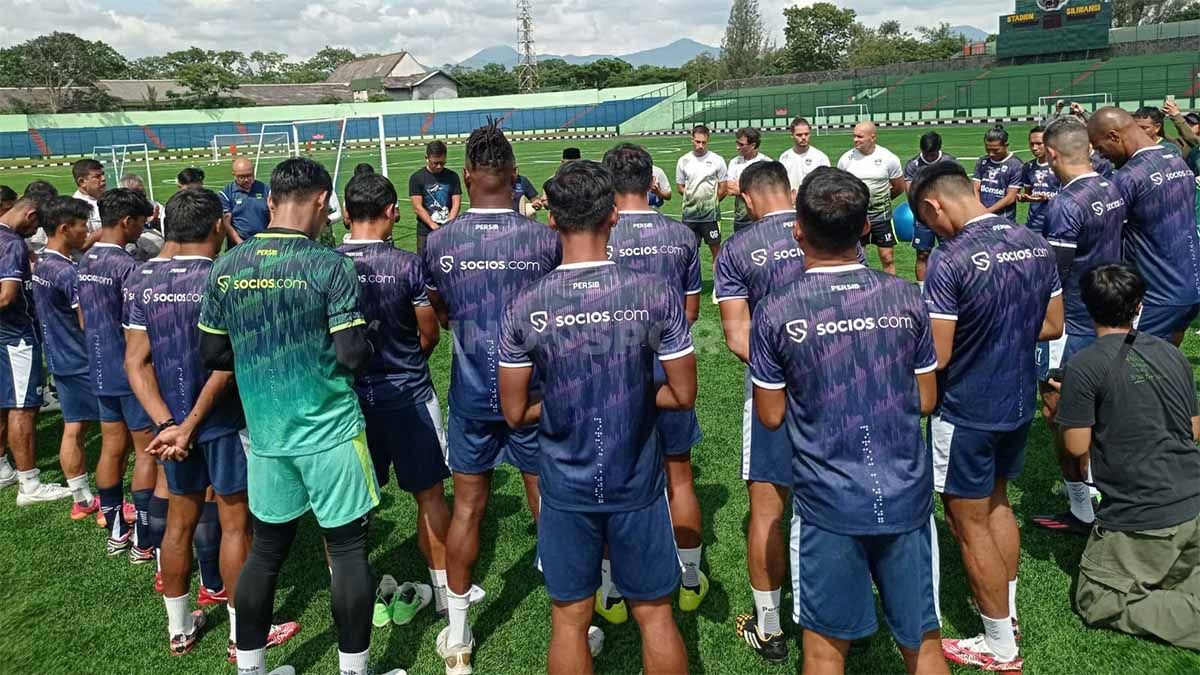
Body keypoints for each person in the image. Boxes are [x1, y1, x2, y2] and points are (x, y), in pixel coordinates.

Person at [198, 158, 397, 675]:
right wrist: (369, 336)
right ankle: (354, 670)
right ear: (319, 202)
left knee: (266, 551)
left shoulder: (229, 265)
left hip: (267, 435)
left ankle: (252, 668)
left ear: (270, 202)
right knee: (349, 546)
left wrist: (262, 352)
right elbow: (352, 354)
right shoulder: (330, 265)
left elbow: (212, 354)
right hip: (330, 430)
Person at [498, 159, 693, 675]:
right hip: (637, 482)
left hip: (564, 485)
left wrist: (565, 402)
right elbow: (683, 392)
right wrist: (630, 397)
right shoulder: (654, 293)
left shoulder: (525, 305)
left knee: (569, 617)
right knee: (654, 614)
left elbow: (514, 412)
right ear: (613, 215)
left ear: (553, 221)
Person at [751, 167, 948, 675]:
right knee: (923, 639)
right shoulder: (908, 297)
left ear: (798, 228)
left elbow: (770, 414)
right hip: (904, 492)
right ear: (865, 228)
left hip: (827, 499)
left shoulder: (775, 310)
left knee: (822, 648)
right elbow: (926, 398)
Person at [125, 188, 302, 658]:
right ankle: (242, 633)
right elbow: (228, 363)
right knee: (235, 526)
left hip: (171, 430)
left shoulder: (143, 278)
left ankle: (179, 629)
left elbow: (135, 363)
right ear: (217, 226)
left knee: (180, 522)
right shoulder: (227, 277)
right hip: (223, 421)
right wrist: (191, 424)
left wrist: (169, 424)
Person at [910, 162, 1064, 673]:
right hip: (1017, 398)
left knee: (966, 520)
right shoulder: (1034, 240)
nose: (932, 232)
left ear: (933, 207)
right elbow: (1052, 324)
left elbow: (938, 355)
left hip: (968, 408)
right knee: (998, 505)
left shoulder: (950, 263)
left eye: (928, 224)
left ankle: (998, 645)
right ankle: (1007, 615)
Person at [422, 122, 560, 674]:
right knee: (548, 502)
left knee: (469, 508)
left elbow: (443, 310)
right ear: (513, 171)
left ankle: (457, 638)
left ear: (470, 175)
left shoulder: (439, 241)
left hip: (473, 391)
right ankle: (573, 618)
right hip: (534, 393)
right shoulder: (544, 239)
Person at [1053, 263, 1200, 651]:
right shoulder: (1173, 355)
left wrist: (1074, 400)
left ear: (1084, 304)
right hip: (1194, 502)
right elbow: (1194, 429)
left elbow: (1076, 446)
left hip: (1146, 517)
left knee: (1095, 598)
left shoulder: (1085, 366)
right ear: (1139, 305)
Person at [599, 143, 707, 623]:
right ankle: (689, 579)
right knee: (679, 473)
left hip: (612, 371)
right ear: (651, 181)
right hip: (669, 364)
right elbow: (689, 312)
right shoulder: (681, 235)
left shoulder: (600, 233)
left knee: (611, 477)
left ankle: (612, 588)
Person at [338, 173, 446, 619]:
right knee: (431, 496)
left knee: (349, 504)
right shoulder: (406, 264)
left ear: (345, 214)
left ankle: (350, 598)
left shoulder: (328, 262)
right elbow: (429, 332)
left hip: (348, 400)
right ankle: (445, 594)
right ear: (392, 212)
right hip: (408, 394)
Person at [714, 160, 810, 664]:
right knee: (832, 503)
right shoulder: (822, 226)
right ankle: (839, 614)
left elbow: (736, 337)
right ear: (790, 190)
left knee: (769, 510)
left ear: (747, 200)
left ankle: (770, 627)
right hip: (840, 387)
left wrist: (785, 369)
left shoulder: (736, 249)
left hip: (772, 392)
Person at [1025, 118, 1125, 535]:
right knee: (1104, 406)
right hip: (1107, 315)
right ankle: (1105, 487)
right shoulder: (1110, 186)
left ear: (1049, 154)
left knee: (1060, 412)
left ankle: (1083, 507)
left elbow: (1053, 275)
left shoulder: (1065, 204)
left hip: (1070, 323)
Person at [78, 188, 159, 559]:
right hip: (128, 371)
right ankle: (143, 539)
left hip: (98, 366)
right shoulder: (127, 267)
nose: (142, 229)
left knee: (112, 447)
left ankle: (115, 531)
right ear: (127, 221)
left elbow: (82, 317)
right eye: (141, 222)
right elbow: (137, 327)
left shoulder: (86, 258)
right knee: (145, 453)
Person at [1088, 106, 1200, 345]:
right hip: (1190, 286)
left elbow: (1104, 237)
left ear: (1115, 136)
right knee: (1166, 363)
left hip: (1156, 296)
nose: (1100, 155)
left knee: (1130, 369)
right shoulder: (1175, 160)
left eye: (1099, 148)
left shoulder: (1127, 178)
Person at [30, 196, 101, 518]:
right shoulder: (67, 273)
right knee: (120, 432)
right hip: (83, 359)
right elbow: (87, 321)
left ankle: (82, 499)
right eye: (82, 226)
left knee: (74, 427)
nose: (86, 232)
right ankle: (111, 503)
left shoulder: (42, 262)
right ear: (64, 228)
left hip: (59, 357)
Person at [0, 191, 71, 504]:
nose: (37, 233)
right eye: (38, 225)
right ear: (30, 215)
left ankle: (3, 468)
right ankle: (30, 483)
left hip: (5, 336)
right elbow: (5, 296)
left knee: (5, 402)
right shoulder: (12, 244)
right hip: (17, 336)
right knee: (23, 407)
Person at [837, 121, 905, 275]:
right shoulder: (846, 159)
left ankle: (890, 288)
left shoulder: (889, 158)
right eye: (854, 136)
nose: (855, 140)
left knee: (887, 257)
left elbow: (899, 186)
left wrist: (880, 202)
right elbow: (840, 187)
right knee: (858, 257)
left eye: (860, 137)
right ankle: (863, 289)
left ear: (872, 137)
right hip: (856, 217)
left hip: (881, 216)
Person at [905, 132, 958, 285]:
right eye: (925, 154)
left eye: (932, 154)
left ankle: (951, 285)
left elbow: (957, 189)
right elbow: (910, 193)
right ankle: (922, 289)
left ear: (938, 149)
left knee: (950, 252)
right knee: (922, 254)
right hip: (923, 218)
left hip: (946, 215)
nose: (928, 157)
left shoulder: (949, 162)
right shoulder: (913, 165)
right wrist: (922, 213)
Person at [675, 124, 728, 263]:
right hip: (689, 215)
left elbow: (724, 188)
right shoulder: (683, 161)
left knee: (716, 250)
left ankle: (719, 284)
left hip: (711, 216)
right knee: (688, 251)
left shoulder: (717, 160)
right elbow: (680, 187)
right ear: (691, 139)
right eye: (697, 142)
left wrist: (711, 202)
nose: (700, 145)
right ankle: (692, 284)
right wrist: (691, 197)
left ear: (708, 140)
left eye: (704, 142)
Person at [409, 140, 462, 257]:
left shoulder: (452, 176)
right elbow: (417, 207)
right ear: (426, 158)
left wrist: (448, 224)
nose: (439, 166)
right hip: (426, 231)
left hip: (448, 230)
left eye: (442, 163)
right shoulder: (416, 178)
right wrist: (433, 226)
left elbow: (456, 203)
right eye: (435, 163)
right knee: (424, 265)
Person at [972, 125, 1024, 222]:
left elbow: (1011, 197)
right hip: (981, 216)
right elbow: (975, 188)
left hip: (1003, 220)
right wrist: (979, 209)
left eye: (996, 150)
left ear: (1006, 145)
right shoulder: (982, 161)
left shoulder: (1016, 165)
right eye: (988, 149)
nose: (991, 154)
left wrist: (987, 212)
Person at [726, 128, 771, 233]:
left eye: (741, 144)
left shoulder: (766, 163)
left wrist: (740, 186)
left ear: (753, 145)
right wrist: (755, 188)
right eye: (737, 143)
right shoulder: (734, 162)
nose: (737, 147)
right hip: (741, 219)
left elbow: (768, 191)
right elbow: (730, 189)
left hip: (762, 217)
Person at [219, 158, 271, 246]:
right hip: (238, 246)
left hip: (264, 243)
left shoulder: (265, 189)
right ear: (234, 174)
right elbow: (226, 222)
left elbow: (273, 215)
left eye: (249, 175)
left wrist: (268, 238)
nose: (246, 180)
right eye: (241, 177)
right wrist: (239, 241)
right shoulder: (226, 194)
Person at [1018, 127, 1059, 236]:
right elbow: (1028, 193)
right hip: (1034, 224)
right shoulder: (1028, 166)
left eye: (1039, 144)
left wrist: (1047, 198)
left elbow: (1070, 195)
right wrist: (1024, 198)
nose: (1034, 148)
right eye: (1031, 144)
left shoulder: (1060, 165)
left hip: (1056, 222)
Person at [777, 117, 830, 200]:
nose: (803, 137)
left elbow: (827, 184)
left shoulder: (820, 157)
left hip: (812, 205)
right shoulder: (784, 157)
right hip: (791, 205)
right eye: (799, 135)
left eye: (806, 134)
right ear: (792, 135)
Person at [119, 173, 166, 261]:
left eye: (142, 192)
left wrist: (156, 224)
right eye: (137, 193)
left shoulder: (156, 206)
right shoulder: (118, 211)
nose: (142, 196)